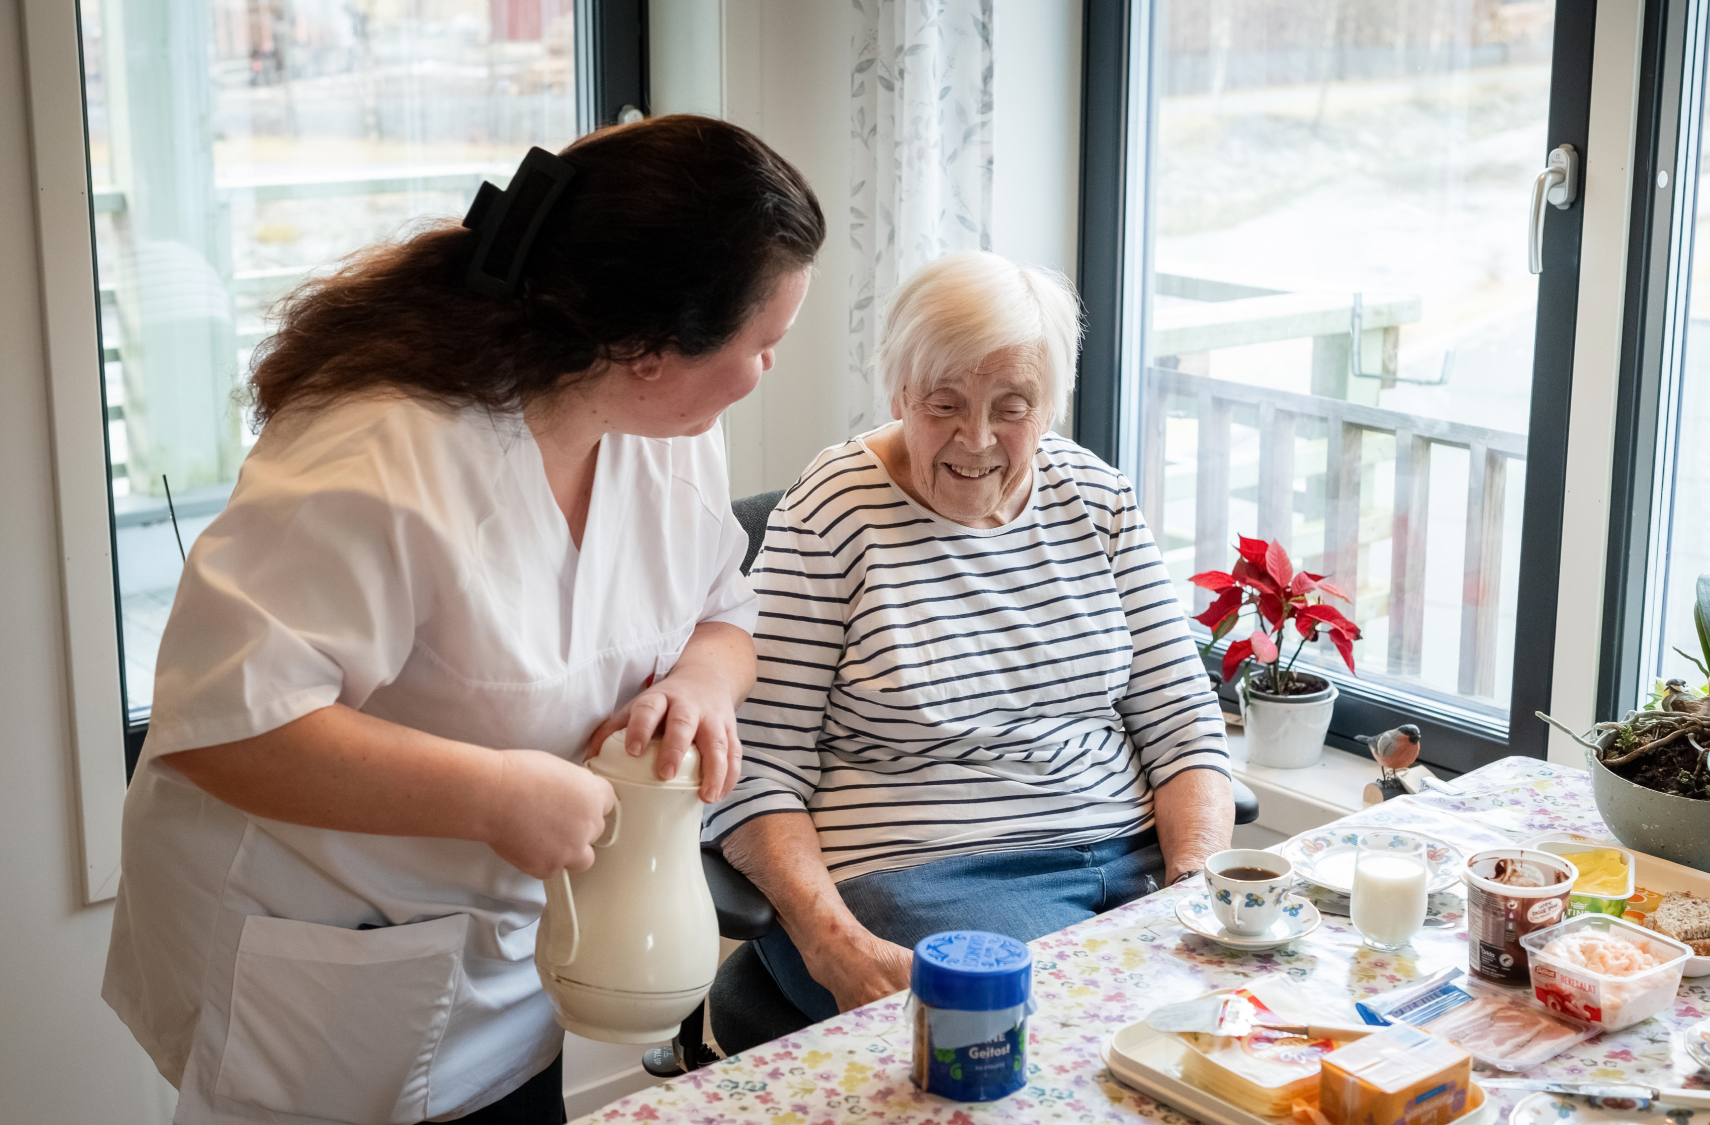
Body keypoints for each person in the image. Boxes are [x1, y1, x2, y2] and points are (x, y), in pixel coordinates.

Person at [102, 116, 824, 1125]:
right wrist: (493, 795)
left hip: (519, 969)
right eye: (764, 343)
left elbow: (723, 609)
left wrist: (699, 684)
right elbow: (224, 724)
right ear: (646, 346)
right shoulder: (380, 453)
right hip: (337, 955)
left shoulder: (663, 430)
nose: (766, 370)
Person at [703, 250, 1235, 1052]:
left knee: (1253, 1028)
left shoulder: (1098, 499)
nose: (976, 438)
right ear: (897, 391)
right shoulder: (833, 514)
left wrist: (1195, 888)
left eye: (1011, 406)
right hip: (928, 875)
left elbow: (1182, 724)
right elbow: (753, 767)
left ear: (1051, 404)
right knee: (1089, 1057)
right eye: (943, 402)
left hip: (1136, 862)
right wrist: (833, 944)